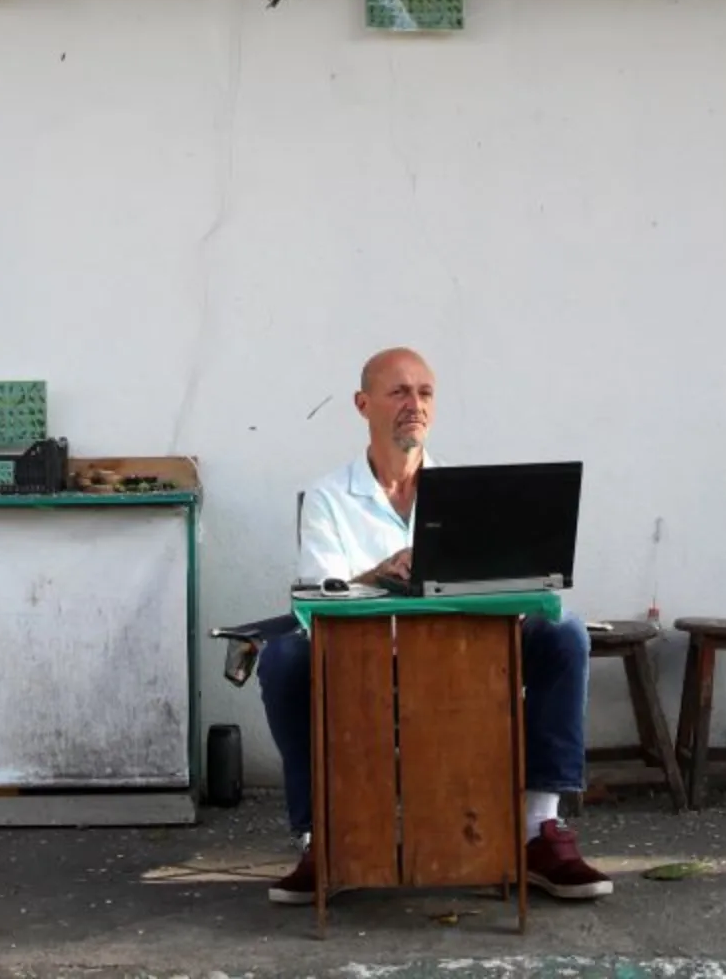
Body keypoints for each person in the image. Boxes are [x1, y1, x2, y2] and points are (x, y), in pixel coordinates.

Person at [256, 346, 612, 904]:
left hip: (463, 658)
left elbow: (498, 585)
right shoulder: (328, 498)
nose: (413, 405)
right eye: (398, 392)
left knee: (564, 634)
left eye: (424, 393)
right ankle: (319, 839)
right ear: (362, 404)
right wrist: (381, 572)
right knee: (281, 658)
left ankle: (538, 830)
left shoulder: (467, 493)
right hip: (367, 664)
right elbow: (319, 596)